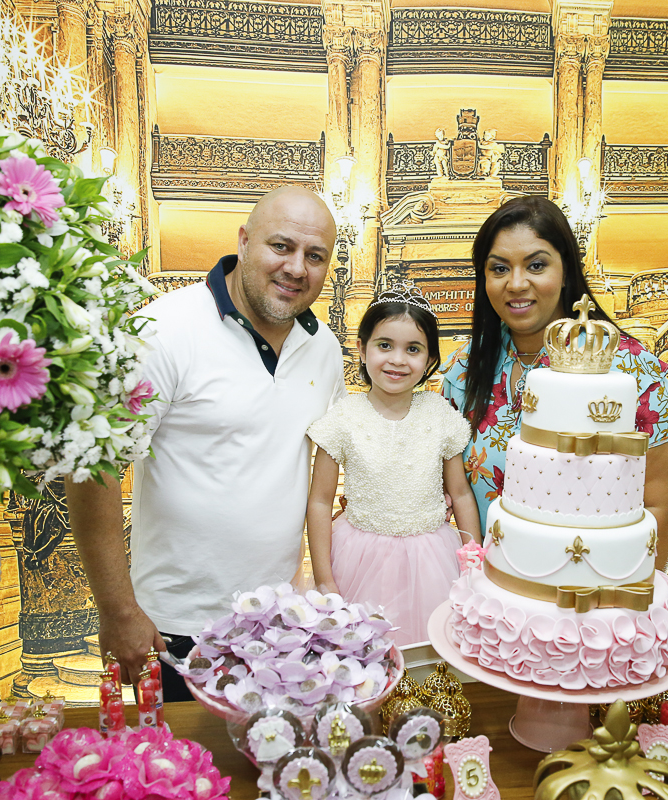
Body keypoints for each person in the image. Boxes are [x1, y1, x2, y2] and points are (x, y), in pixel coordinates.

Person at [64, 186, 347, 700]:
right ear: (243, 241)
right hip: (176, 626)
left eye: (315, 256)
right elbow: (93, 468)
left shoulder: (324, 347)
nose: (297, 268)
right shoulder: (162, 331)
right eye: (281, 247)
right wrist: (118, 610)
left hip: (277, 623)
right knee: (187, 773)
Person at [441, 196, 668, 572]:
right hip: (491, 593)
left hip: (594, 597)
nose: (516, 283)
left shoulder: (633, 373)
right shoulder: (463, 372)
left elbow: (655, 505)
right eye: (499, 268)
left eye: (536, 265)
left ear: (567, 270)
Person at [305, 282, 482, 646]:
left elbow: (461, 494)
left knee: (431, 655)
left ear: (430, 358)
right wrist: (324, 578)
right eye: (385, 345)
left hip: (432, 558)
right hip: (358, 556)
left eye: (413, 349)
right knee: (362, 654)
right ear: (361, 348)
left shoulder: (439, 413)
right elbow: (321, 501)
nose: (398, 360)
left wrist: (474, 562)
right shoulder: (342, 417)